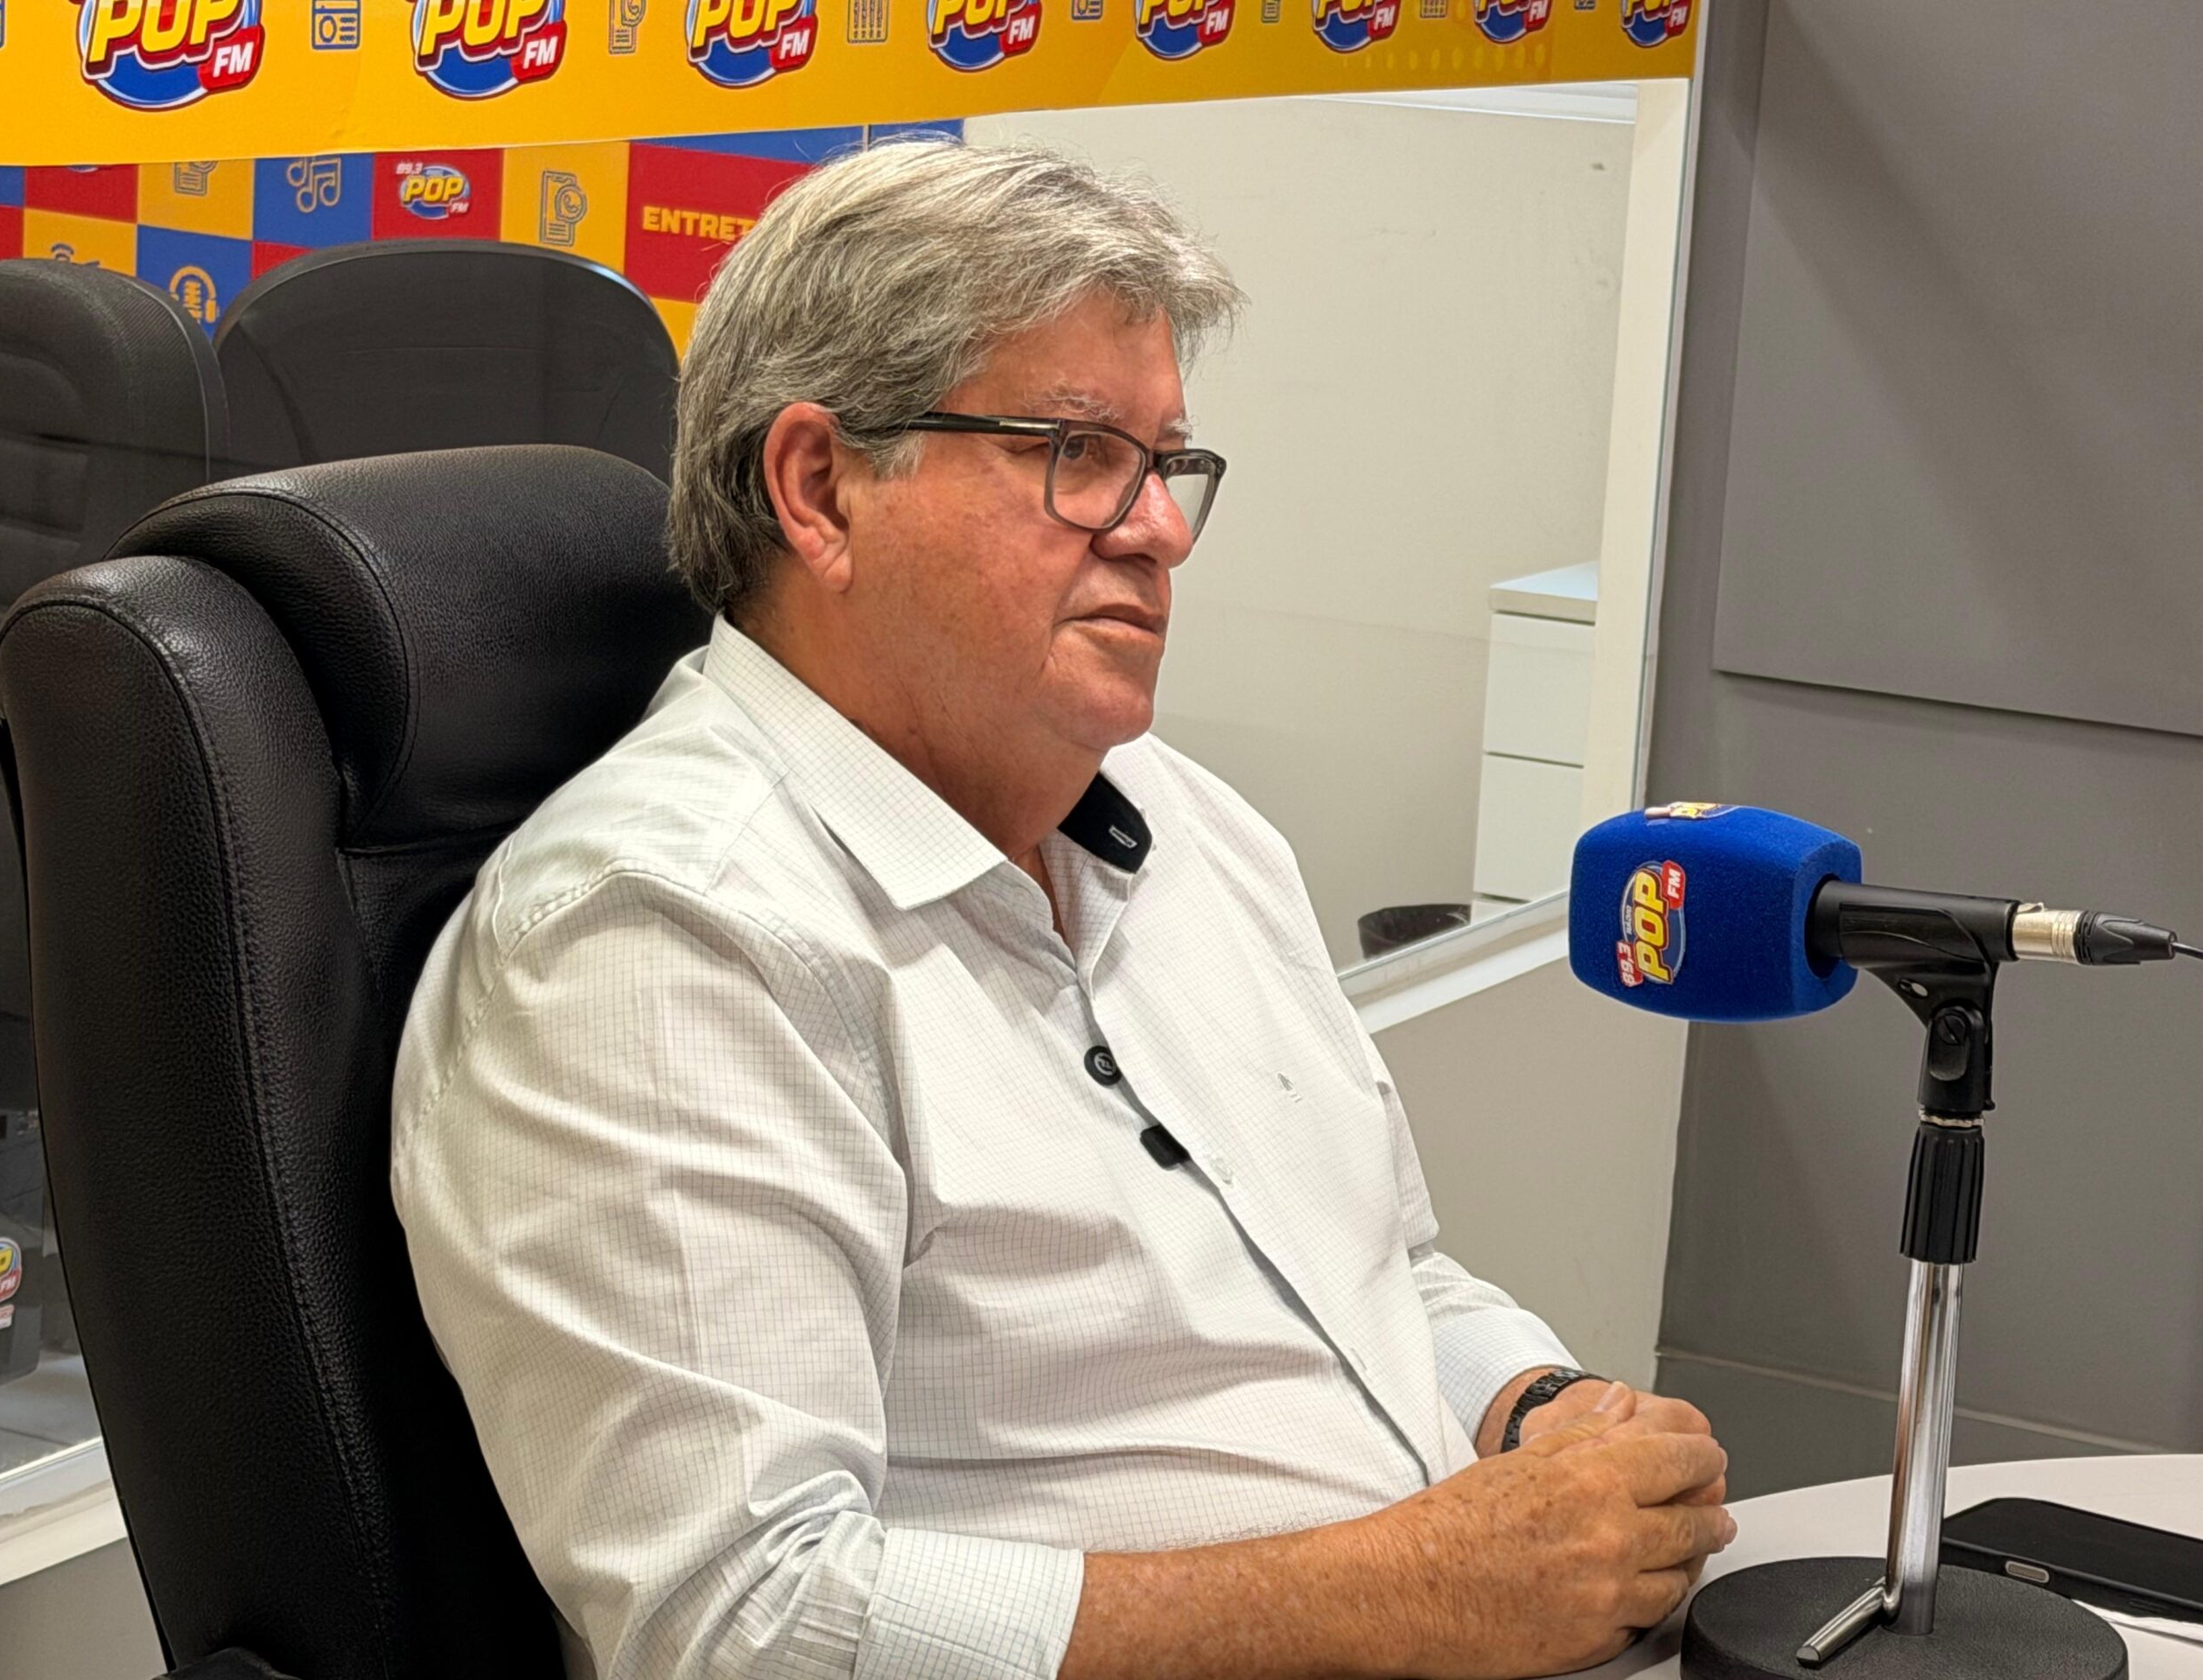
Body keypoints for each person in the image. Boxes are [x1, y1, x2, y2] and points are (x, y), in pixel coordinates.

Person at [392, 138, 1732, 1680]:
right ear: (820, 489)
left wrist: (1546, 1416)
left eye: (1169, 464)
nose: (1160, 528)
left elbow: (1382, 1274)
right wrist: (1422, 1587)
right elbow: (749, 1624)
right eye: (1080, 453)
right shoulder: (660, 938)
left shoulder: (1191, 822)